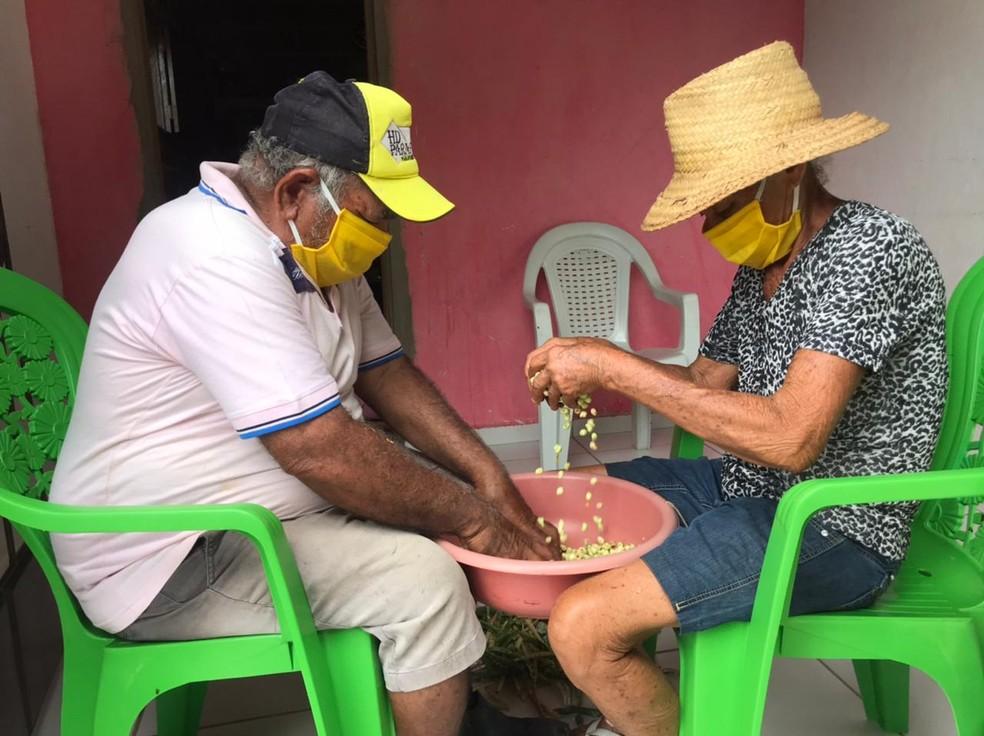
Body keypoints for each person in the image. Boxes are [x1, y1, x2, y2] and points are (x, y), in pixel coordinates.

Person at [50, 72, 559, 736]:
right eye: (374, 217)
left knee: (435, 507)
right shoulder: (211, 254)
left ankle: (458, 713)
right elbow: (319, 451)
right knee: (424, 582)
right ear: (295, 191)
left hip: (250, 515)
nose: (384, 237)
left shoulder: (313, 249)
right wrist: (478, 522)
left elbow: (387, 374)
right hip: (167, 556)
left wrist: (488, 480)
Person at [525, 42, 947, 736]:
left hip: (836, 526)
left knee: (582, 625)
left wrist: (609, 365)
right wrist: (596, 365)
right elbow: (700, 383)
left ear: (789, 172)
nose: (709, 226)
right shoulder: (764, 267)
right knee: (566, 499)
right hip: (748, 489)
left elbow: (790, 438)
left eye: (722, 203)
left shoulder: (869, 248)